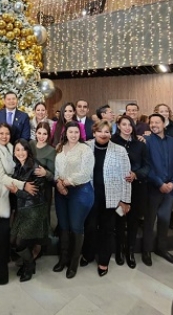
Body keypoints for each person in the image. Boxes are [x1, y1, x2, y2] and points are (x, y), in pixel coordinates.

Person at [82, 120, 131, 277]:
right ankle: (88, 255)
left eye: (107, 131)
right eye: (100, 131)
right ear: (94, 132)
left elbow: (126, 176)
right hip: (90, 197)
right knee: (90, 228)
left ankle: (104, 261)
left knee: (107, 230)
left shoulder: (120, 150)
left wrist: (125, 200)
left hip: (111, 198)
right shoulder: (85, 147)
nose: (104, 134)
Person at [0, 123, 32, 285]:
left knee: (1, 232)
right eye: (1, 133)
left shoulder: (10, 146)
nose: (4, 136)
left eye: (7, 133)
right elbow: (0, 176)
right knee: (2, 234)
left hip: (9, 194)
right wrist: (23, 185)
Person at [53, 120, 94, 279]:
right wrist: (58, 183)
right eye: (71, 132)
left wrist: (65, 182)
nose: (73, 135)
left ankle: (73, 263)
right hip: (61, 192)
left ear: (80, 133)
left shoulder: (85, 149)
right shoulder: (60, 147)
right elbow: (56, 171)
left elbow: (85, 173)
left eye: (76, 132)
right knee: (63, 226)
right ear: (65, 133)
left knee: (76, 227)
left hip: (80, 191)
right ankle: (63, 259)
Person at [142, 113, 173, 267]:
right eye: (151, 122)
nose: (153, 125)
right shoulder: (146, 141)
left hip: (170, 189)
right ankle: (146, 250)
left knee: (164, 221)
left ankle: (161, 248)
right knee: (149, 221)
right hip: (153, 187)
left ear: (164, 123)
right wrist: (159, 183)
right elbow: (147, 166)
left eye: (157, 122)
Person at [111, 115, 150, 269]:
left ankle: (130, 251)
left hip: (136, 189)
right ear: (119, 126)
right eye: (124, 124)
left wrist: (136, 174)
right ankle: (119, 250)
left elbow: (147, 166)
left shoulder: (140, 145)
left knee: (133, 221)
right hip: (118, 189)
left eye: (130, 125)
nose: (127, 127)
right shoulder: (112, 143)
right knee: (120, 219)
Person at [8, 139, 50, 282]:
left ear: (28, 151)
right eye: (17, 150)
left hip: (34, 210)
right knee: (13, 241)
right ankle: (28, 263)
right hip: (21, 209)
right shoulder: (17, 166)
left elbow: (35, 192)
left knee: (19, 243)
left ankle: (29, 265)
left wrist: (16, 191)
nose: (20, 153)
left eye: (23, 149)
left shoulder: (35, 167)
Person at [29, 122, 56, 223]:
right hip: (29, 186)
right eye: (39, 133)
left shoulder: (51, 150)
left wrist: (46, 173)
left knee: (42, 218)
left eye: (44, 134)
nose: (41, 136)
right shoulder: (31, 144)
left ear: (48, 135)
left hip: (44, 189)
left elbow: (53, 176)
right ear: (35, 133)